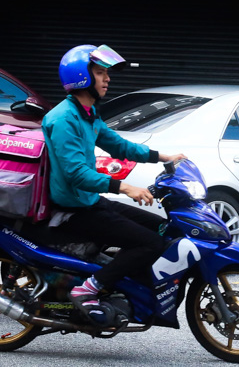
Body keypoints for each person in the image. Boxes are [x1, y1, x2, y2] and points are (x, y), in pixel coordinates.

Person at [42, 44, 184, 324]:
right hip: (74, 210)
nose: (108, 79)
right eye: (100, 73)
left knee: (163, 228)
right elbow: (76, 174)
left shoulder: (87, 114)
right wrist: (125, 187)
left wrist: (160, 157)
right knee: (150, 243)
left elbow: (117, 144)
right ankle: (88, 288)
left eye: (107, 73)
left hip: (90, 201)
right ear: (82, 77)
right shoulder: (63, 119)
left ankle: (132, 285)